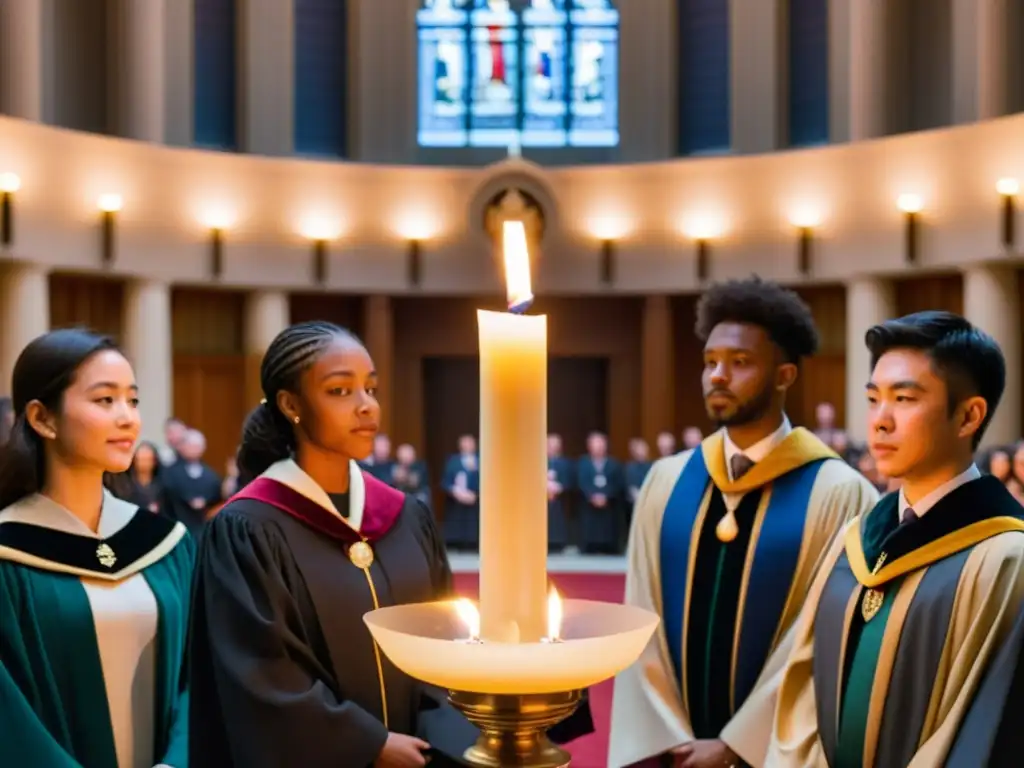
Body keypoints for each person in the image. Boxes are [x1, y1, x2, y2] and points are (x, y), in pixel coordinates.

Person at [609, 277, 879, 768]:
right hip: (673, 751)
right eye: (710, 362)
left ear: (785, 376)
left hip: (772, 752)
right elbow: (639, 611)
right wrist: (668, 738)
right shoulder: (666, 483)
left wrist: (738, 745)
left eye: (740, 363)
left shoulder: (837, 492)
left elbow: (823, 637)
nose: (717, 376)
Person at [187, 322, 475, 767]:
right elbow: (259, 672)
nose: (366, 406)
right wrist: (368, 744)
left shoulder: (406, 516)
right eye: (341, 391)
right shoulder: (248, 528)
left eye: (371, 388)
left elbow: (445, 634)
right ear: (291, 404)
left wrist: (439, 734)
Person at [766, 311, 1024, 768]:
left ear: (969, 416)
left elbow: (987, 731)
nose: (880, 422)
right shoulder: (856, 540)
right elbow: (801, 693)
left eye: (903, 399)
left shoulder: (1007, 557)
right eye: (873, 399)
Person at [0, 328, 192, 768]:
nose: (128, 418)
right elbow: (9, 720)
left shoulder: (166, 546)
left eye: (133, 400)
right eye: (105, 400)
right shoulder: (9, 554)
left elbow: (199, 675)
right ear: (42, 418)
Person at [577, 431, 625, 554]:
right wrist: (592, 496)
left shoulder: (614, 464)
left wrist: (606, 496)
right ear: (589, 447)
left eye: (601, 445)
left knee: (608, 529)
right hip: (589, 505)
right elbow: (581, 481)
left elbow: (618, 484)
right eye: (595, 445)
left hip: (608, 505)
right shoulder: (583, 463)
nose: (598, 448)